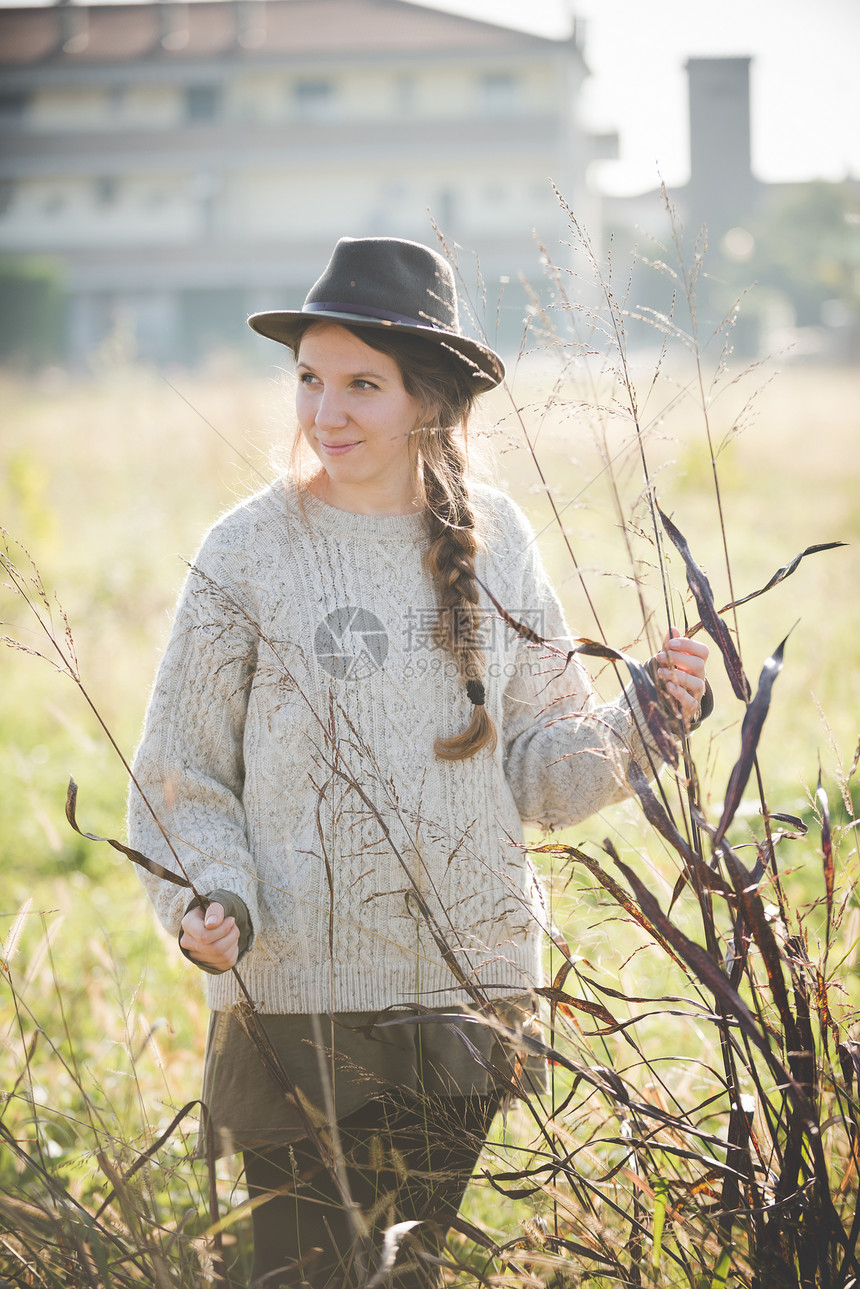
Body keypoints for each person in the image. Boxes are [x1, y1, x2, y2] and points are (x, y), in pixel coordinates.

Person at [129, 236, 709, 1288]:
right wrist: (208, 897)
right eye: (309, 378)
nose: (325, 411)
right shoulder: (246, 549)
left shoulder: (499, 539)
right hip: (294, 997)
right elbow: (180, 775)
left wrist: (644, 720)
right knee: (302, 1273)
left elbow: (539, 770)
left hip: (461, 991)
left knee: (405, 1272)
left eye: (361, 383)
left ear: (428, 400)